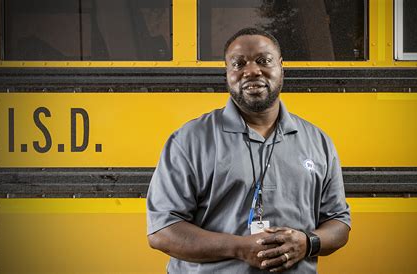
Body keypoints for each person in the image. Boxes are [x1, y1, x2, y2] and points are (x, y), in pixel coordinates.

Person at [146, 28, 350, 273]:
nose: (252, 71)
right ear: (227, 73)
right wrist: (239, 248)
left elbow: (339, 223)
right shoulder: (189, 140)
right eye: (238, 63)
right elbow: (162, 231)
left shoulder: (318, 142)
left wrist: (307, 243)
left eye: (264, 61)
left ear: (281, 67)